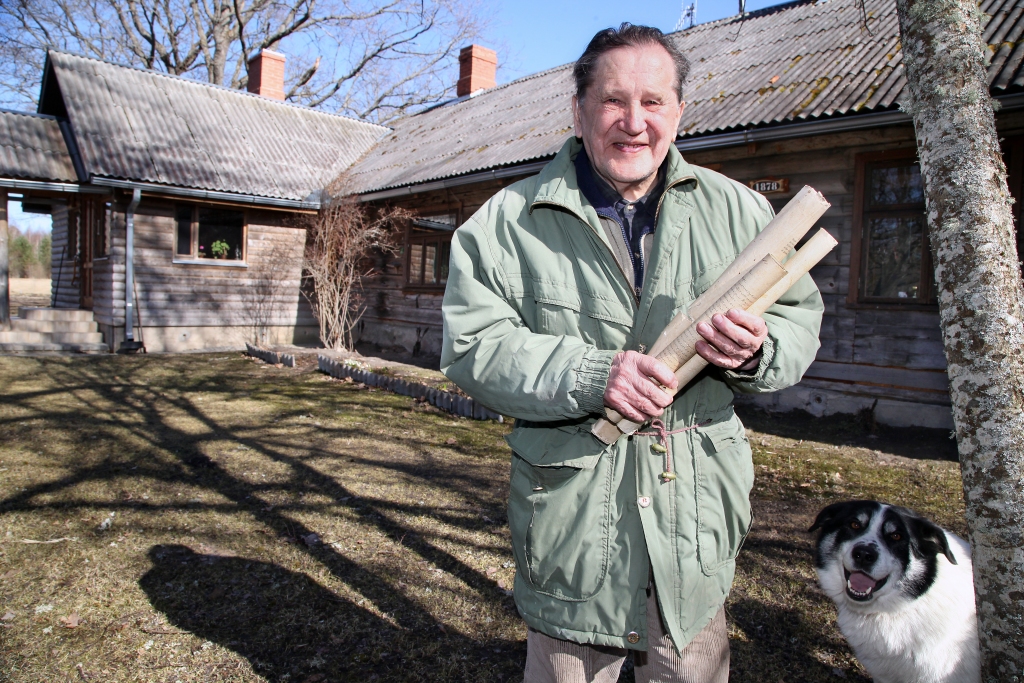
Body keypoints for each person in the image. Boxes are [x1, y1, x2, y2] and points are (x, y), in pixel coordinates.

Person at [441, 23, 823, 683]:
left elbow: (799, 320)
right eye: (614, 100)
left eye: (653, 102)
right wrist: (595, 373)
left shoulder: (740, 213)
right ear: (579, 110)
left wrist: (757, 349)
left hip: (692, 528)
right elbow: (474, 346)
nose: (633, 121)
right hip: (573, 533)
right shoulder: (508, 223)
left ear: (679, 111)